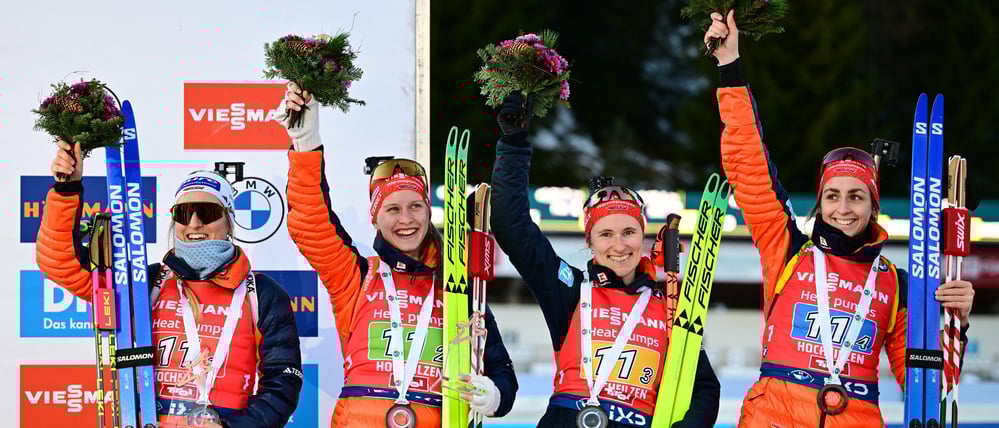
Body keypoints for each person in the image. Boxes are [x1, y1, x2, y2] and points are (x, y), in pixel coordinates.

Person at [706, 11, 976, 427]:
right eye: (832, 196)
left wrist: (957, 323)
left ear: (873, 206)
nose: (844, 208)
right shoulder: (787, 248)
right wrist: (730, 66)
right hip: (773, 416)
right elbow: (749, 165)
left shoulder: (896, 285)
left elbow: (927, 387)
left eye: (856, 196)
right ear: (819, 202)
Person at [280, 83, 518, 427]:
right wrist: (306, 143)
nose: (406, 219)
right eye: (392, 209)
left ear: (428, 211)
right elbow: (312, 223)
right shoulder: (356, 275)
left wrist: (494, 396)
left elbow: (501, 370)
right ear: (375, 218)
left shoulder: (456, 288)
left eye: (415, 207)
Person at [489, 92, 721, 428]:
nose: (619, 245)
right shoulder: (569, 289)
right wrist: (513, 146)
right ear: (590, 241)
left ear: (642, 235)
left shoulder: (668, 305)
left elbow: (704, 388)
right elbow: (512, 227)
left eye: (629, 232)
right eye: (606, 234)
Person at [37, 139, 303, 427]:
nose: (195, 223)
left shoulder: (261, 294)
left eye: (208, 213)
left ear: (229, 221)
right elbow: (61, 264)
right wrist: (66, 190)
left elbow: (283, 384)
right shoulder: (148, 282)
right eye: (184, 213)